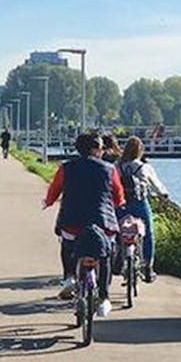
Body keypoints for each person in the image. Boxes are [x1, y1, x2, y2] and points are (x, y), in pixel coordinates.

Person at [43, 133, 126, 317]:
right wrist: (119, 203)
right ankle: (104, 298)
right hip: (103, 222)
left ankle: (69, 277)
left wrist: (48, 202)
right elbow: (118, 195)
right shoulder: (109, 169)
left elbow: (54, 190)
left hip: (72, 220)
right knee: (106, 254)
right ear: (96, 149)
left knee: (67, 244)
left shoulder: (66, 168)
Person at [115, 136, 170, 282]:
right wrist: (163, 195)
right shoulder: (145, 167)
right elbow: (157, 186)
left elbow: (111, 184)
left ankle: (117, 258)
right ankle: (148, 266)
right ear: (140, 151)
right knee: (148, 233)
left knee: (115, 230)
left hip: (121, 204)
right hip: (139, 203)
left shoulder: (117, 166)